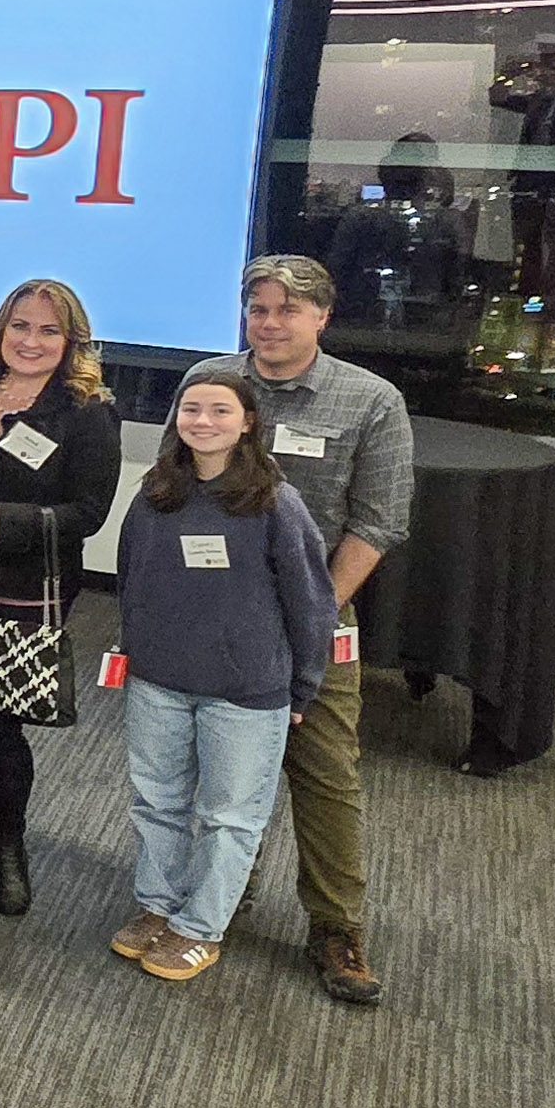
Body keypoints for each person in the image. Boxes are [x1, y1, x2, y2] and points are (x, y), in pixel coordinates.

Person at [181, 255, 413, 1005]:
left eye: (289, 309)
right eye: (258, 308)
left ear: (322, 317)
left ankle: (337, 928)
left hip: (318, 620)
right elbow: (171, 493)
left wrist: (310, 619)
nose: (270, 323)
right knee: (214, 767)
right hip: (216, 620)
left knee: (324, 772)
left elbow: (379, 522)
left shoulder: (370, 400)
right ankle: (217, 899)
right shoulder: (208, 382)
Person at [113, 372, 337, 984]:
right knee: (157, 802)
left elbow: (312, 602)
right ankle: (158, 906)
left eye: (219, 410)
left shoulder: (275, 503)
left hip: (245, 691)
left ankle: (201, 927)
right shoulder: (155, 492)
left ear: (247, 425)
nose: (203, 421)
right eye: (191, 409)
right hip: (159, 680)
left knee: (228, 816)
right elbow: (130, 575)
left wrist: (304, 686)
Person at [0, 279, 121, 921]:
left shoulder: (86, 410)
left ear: (70, 342)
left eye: (47, 331)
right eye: (20, 327)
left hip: (25, 581)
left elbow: (90, 513)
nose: (31, 342)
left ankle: (10, 848)